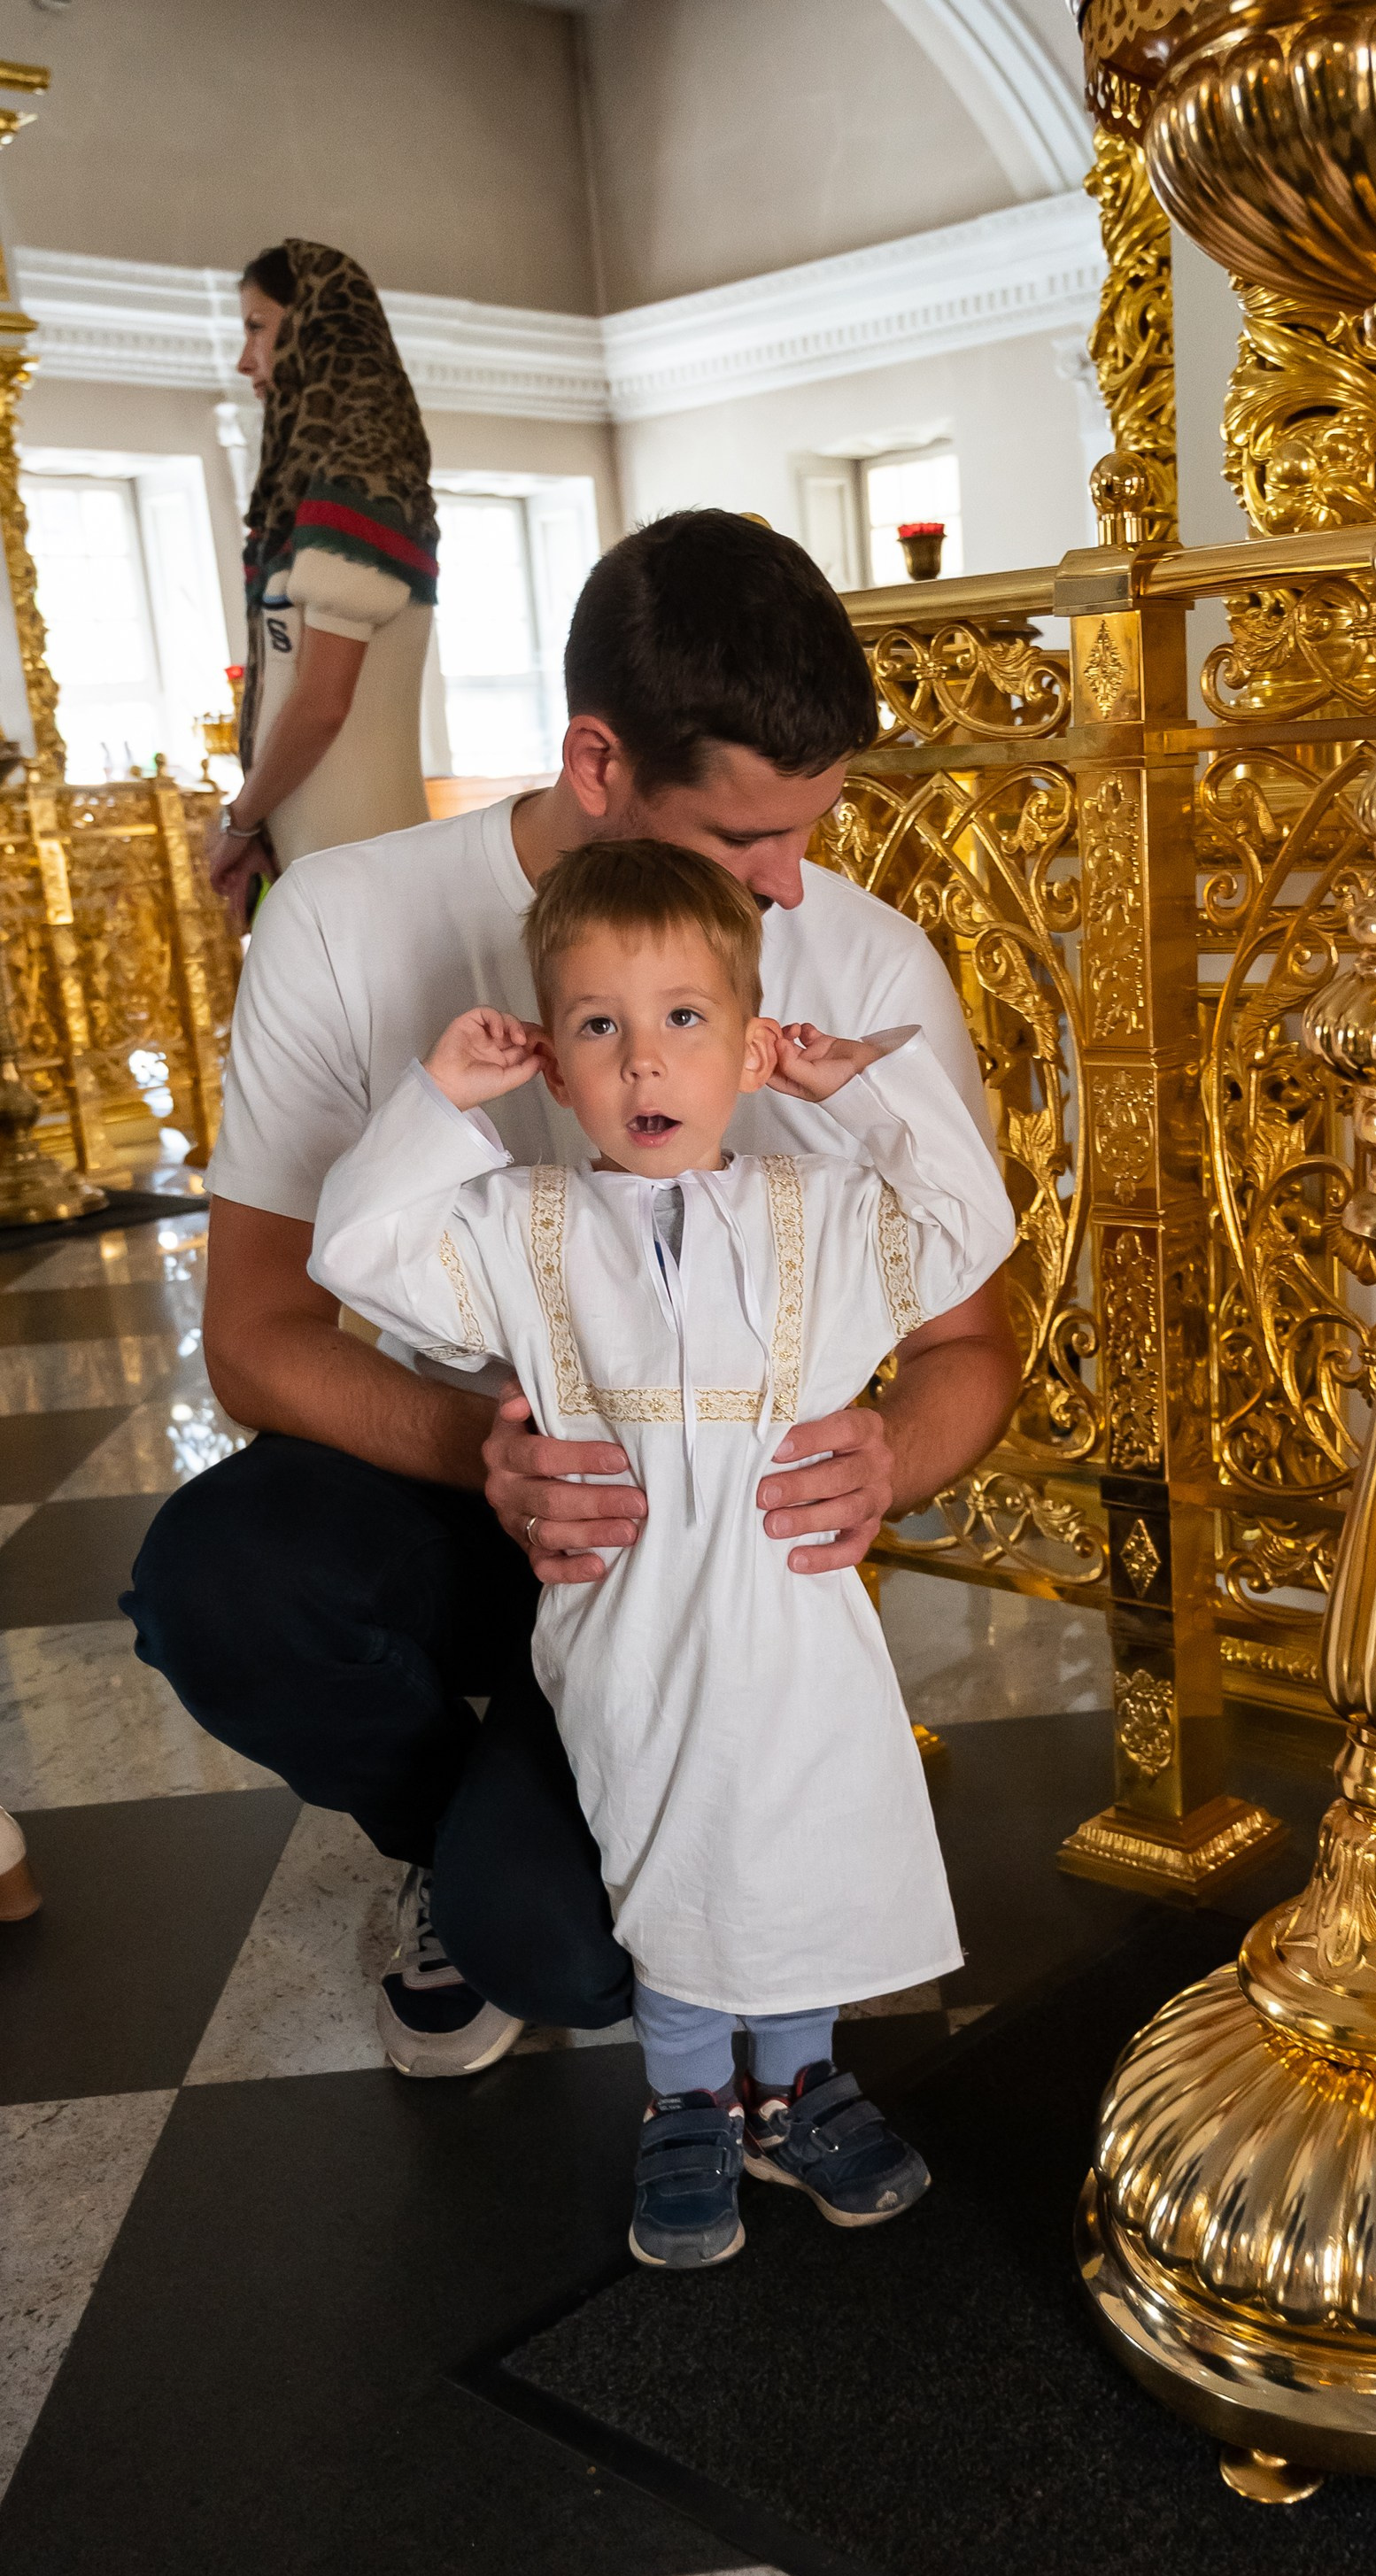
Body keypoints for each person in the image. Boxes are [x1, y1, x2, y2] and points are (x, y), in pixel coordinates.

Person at [126, 509, 1023, 2084]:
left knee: (570, 1954)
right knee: (215, 1580)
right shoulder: (341, 921)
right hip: (473, 1482)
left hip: (709, 1550)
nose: (791, 887)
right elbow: (257, 1336)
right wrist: (501, 1453)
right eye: (743, 841)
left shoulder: (861, 964)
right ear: (597, 762)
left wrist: (891, 1453)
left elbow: (965, 1343)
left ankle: (556, 1834)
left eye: (809, 827)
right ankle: (439, 1818)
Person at [311, 839, 1015, 2266]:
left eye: (686, 1020)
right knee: (668, 1836)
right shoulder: (523, 1224)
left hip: (791, 1601)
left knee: (801, 1827)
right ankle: (688, 2095)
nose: (644, 1063)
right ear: (555, 1070)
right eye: (597, 1027)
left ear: (751, 1048)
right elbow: (361, 1250)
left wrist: (861, 1089)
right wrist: (441, 1100)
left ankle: (804, 2081)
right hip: (629, 1616)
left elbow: (968, 1221)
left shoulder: (818, 1210)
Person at [208, 241, 438, 928]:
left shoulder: (364, 477)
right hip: (322, 867)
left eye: (257, 327)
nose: (246, 360)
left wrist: (240, 821)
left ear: (314, 326)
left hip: (369, 874)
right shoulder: (311, 495)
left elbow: (322, 704)